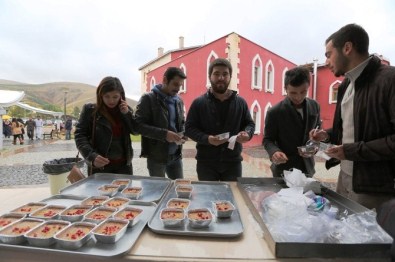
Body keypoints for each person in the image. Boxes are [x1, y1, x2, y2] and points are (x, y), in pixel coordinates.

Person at [311, 23, 395, 209]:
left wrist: (350, 151)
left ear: (347, 48)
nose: (326, 61)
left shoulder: (389, 80)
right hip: (344, 176)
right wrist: (327, 135)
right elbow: (351, 129)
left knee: (365, 237)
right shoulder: (345, 85)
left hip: (374, 187)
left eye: (328, 54)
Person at [185, 58, 255, 181]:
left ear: (230, 76)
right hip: (206, 163)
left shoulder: (241, 103)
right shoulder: (198, 103)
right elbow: (189, 129)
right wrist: (207, 139)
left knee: (231, 197)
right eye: (216, 74)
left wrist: (247, 133)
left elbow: (249, 124)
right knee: (208, 197)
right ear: (210, 76)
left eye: (225, 74)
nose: (221, 77)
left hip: (233, 163)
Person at [263, 66, 321, 177]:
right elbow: (268, 140)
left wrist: (315, 144)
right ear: (285, 89)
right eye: (293, 93)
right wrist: (274, 152)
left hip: (308, 168)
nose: (299, 97)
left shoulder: (315, 106)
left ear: (308, 86)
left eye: (303, 92)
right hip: (284, 169)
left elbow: (317, 131)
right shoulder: (274, 112)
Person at [74, 76, 137, 175]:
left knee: (124, 190)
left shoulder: (126, 110)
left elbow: (135, 131)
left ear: (121, 95)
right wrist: (92, 156)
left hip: (124, 166)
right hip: (99, 167)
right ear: (100, 95)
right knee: (100, 191)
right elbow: (80, 135)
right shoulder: (90, 110)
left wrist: (127, 114)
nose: (111, 101)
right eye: (107, 96)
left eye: (115, 97)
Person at [135, 67, 187, 179]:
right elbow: (138, 126)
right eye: (175, 84)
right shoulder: (147, 99)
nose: (178, 89)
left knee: (178, 190)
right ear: (164, 80)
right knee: (158, 191)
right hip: (156, 158)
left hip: (176, 156)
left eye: (180, 85)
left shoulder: (179, 101)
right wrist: (164, 134)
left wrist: (184, 133)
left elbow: (181, 122)